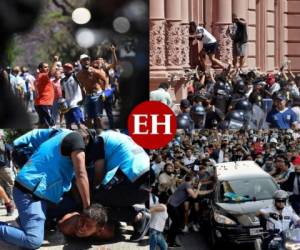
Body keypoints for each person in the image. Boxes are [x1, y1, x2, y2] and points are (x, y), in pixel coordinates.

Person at [0, 128, 90, 249]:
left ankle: (25, 221)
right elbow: (81, 174)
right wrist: (87, 207)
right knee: (33, 241)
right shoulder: (76, 139)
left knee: (67, 203)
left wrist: (19, 142)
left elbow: (35, 133)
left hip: (36, 192)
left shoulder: (58, 134)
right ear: (85, 141)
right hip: (30, 193)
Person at [81, 129, 151, 242]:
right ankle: (136, 216)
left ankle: (138, 217)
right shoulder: (114, 136)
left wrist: (89, 196)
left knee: (97, 202)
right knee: (110, 194)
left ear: (86, 141)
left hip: (134, 177)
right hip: (145, 178)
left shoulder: (98, 142)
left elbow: (99, 175)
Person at [167, 174, 212, 247]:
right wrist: (199, 187)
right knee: (176, 224)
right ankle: (170, 242)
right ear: (192, 179)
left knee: (176, 224)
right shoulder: (187, 184)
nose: (196, 182)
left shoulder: (187, 186)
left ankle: (170, 241)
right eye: (195, 180)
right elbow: (194, 196)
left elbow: (199, 193)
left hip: (172, 206)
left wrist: (210, 190)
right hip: (172, 206)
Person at [76, 54, 108, 128]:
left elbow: (105, 79)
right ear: (81, 62)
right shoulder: (79, 75)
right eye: (84, 60)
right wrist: (83, 98)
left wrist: (105, 92)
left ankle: (101, 136)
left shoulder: (95, 71)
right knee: (87, 119)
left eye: (88, 60)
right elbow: (81, 87)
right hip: (88, 96)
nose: (86, 62)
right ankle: (92, 136)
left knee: (98, 118)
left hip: (98, 95)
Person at [34, 56, 58, 128]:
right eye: (45, 67)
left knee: (43, 124)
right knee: (52, 124)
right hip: (44, 104)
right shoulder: (43, 76)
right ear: (40, 69)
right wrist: (55, 61)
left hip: (40, 104)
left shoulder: (39, 76)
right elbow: (51, 73)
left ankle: (39, 138)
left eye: (47, 67)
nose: (47, 68)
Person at [61, 63, 85, 129]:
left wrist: (83, 99)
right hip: (67, 105)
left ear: (72, 70)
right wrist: (63, 101)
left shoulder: (75, 77)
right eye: (65, 68)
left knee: (79, 123)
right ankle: (69, 137)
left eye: (69, 69)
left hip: (75, 104)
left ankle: (86, 136)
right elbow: (63, 91)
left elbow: (82, 84)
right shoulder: (62, 80)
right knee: (68, 124)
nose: (67, 70)